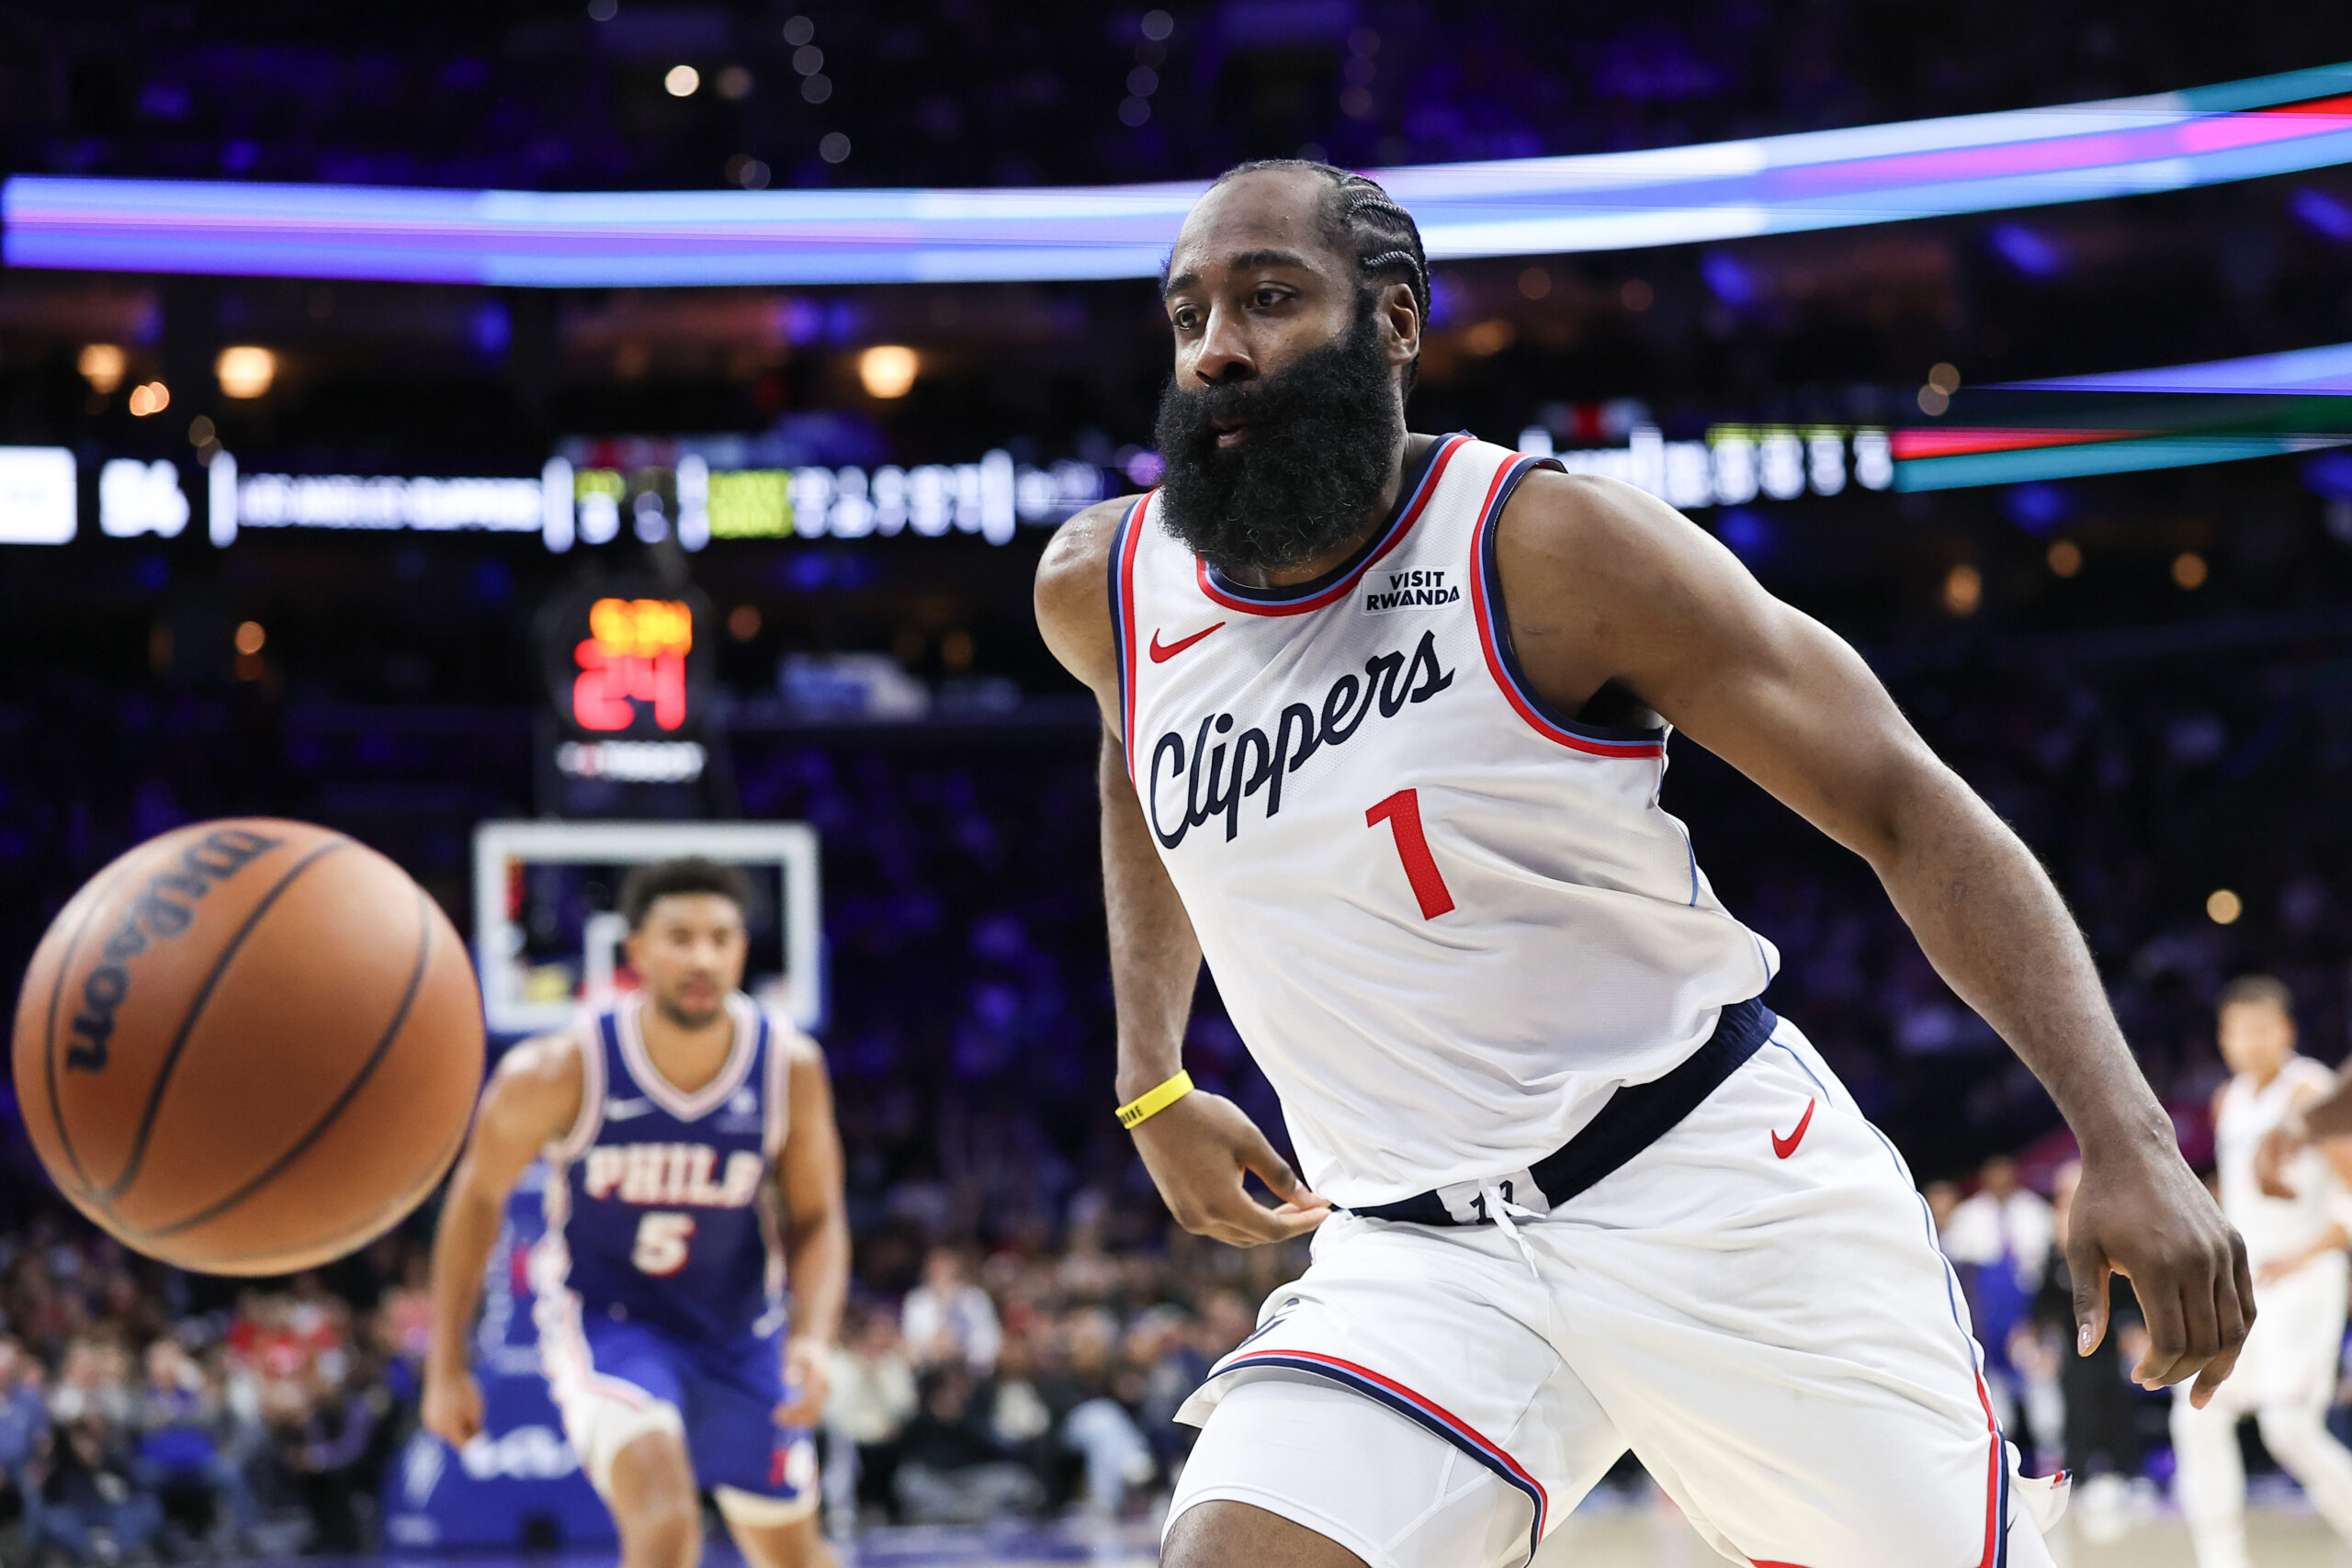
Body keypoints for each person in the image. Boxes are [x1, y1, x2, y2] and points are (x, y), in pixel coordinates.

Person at [1032, 158, 2253, 1568]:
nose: (1218, 348)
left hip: (1711, 1190)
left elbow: (1905, 804)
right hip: (1418, 1255)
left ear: (1397, 324)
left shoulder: (1549, 549)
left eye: (1270, 299)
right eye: (1188, 315)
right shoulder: (1105, 587)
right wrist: (1150, 1068)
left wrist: (2129, 1135)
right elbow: (1140, 738)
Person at [422, 857, 850, 1568]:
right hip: (610, 1324)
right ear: (637, 952)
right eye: (679, 937)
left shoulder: (788, 1066)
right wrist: (445, 1366)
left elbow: (818, 1217)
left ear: (743, 947)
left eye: (720, 936)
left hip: (740, 1333)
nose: (702, 956)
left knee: (795, 1553)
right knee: (666, 1518)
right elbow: (477, 1198)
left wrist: (813, 1336)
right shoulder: (560, 1068)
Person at [2167, 976, 2352, 1568]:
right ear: (2222, 1039)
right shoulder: (2229, 1098)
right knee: (2196, 1411)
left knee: (2288, 1430)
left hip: (2305, 1277)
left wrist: (2305, 1253)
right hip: (2249, 1284)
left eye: (2260, 1030)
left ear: (2286, 1032)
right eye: (2237, 1031)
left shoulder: (2311, 1091)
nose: (2248, 1043)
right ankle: (2222, 1561)